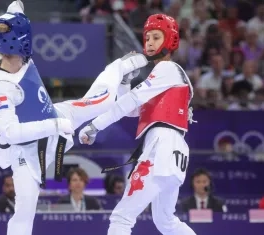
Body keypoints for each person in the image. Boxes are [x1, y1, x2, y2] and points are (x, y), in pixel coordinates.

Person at [0, 1, 148, 235]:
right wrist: (54, 125)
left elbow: (15, 13)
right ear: (20, 41)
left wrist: (15, 6)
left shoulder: (23, 59)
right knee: (24, 211)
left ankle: (119, 68)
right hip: (27, 152)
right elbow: (10, 133)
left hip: (56, 113)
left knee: (102, 101)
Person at [79, 14, 196, 235]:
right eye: (147, 38)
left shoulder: (167, 69)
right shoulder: (166, 76)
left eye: (156, 37)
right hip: (174, 151)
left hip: (160, 148)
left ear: (169, 40)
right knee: (166, 221)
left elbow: (130, 102)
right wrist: (125, 81)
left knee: (121, 218)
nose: (150, 42)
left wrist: (95, 125)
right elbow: (134, 110)